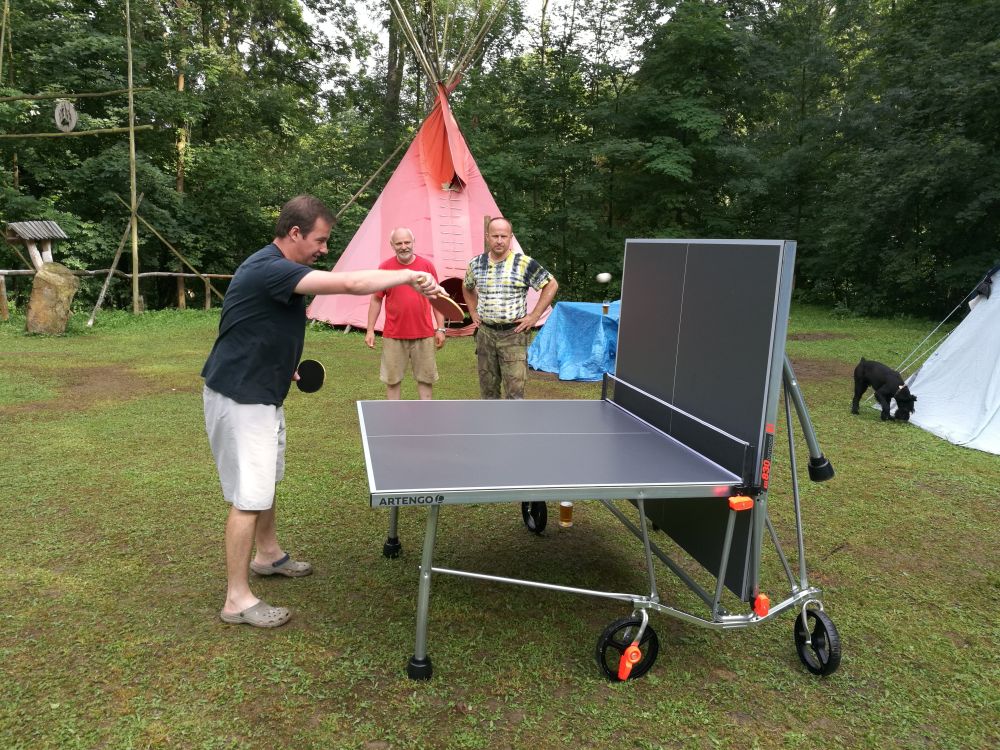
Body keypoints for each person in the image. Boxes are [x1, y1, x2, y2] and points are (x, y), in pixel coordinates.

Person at [202, 195, 443, 628]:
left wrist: (282, 364)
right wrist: (409, 275)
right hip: (242, 399)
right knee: (248, 498)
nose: (324, 249)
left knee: (265, 483)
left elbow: (251, 324)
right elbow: (350, 284)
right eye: (320, 240)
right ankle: (236, 599)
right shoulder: (271, 268)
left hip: (264, 390)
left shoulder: (275, 270)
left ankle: (268, 555)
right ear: (295, 233)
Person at [463, 217, 558, 399]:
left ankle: (513, 419)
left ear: (510, 237)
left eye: (503, 236)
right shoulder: (476, 264)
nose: (499, 240)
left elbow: (551, 284)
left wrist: (534, 316)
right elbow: (467, 287)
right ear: (487, 237)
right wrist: (473, 311)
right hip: (485, 334)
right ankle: (491, 418)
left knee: (515, 393)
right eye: (495, 236)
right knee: (488, 391)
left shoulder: (524, 263)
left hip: (514, 334)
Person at [364, 228, 446, 400]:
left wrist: (440, 329)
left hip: (424, 334)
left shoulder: (426, 266)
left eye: (407, 242)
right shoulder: (385, 268)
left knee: (425, 380)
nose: (403, 246)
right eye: (399, 243)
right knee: (392, 381)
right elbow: (376, 300)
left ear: (413, 242)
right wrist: (370, 330)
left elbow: (437, 299)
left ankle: (426, 413)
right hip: (393, 335)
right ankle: (394, 415)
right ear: (392, 245)